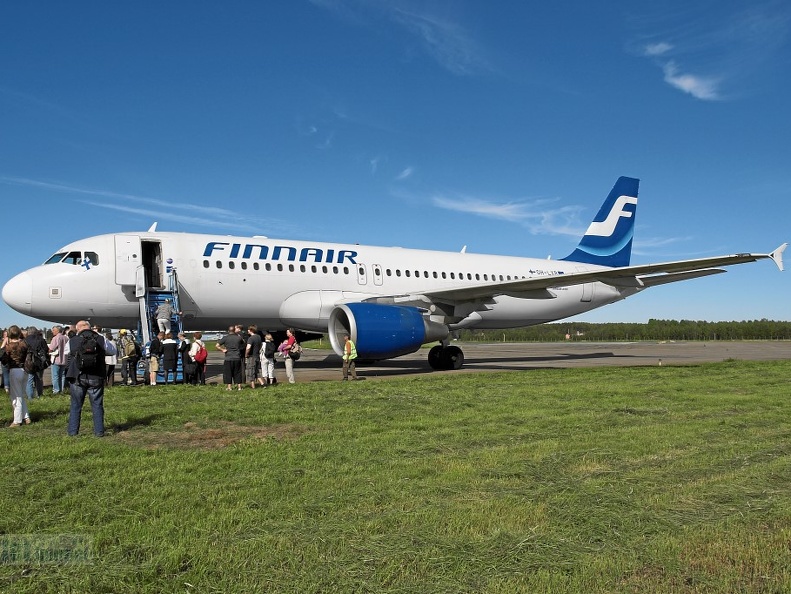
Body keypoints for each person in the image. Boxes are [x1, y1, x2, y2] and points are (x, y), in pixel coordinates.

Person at [65, 320, 116, 437]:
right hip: (96, 375)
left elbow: (67, 353)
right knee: (97, 404)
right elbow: (113, 351)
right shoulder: (101, 339)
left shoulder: (73, 340)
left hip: (78, 376)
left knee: (76, 405)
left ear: (78, 329)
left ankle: (73, 432)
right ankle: (99, 432)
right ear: (90, 328)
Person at [1, 325, 31, 426]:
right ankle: (26, 417)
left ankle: (17, 421)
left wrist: (4, 343)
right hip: (25, 370)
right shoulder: (24, 344)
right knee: (21, 395)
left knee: (16, 397)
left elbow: (3, 359)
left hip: (15, 370)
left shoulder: (8, 347)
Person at [217, 325, 244, 390]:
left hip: (228, 357)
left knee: (228, 372)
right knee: (237, 372)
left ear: (228, 331)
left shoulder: (225, 338)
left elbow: (217, 345)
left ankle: (229, 387)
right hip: (237, 357)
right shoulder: (238, 338)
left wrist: (222, 349)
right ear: (234, 330)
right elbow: (243, 343)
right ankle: (239, 387)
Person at [25, 326, 48, 399]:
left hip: (29, 362)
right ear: (36, 332)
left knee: (29, 380)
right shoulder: (41, 339)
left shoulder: (25, 340)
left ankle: (30, 397)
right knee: (39, 379)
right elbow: (46, 349)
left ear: (28, 332)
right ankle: (40, 395)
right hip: (39, 362)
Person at [48, 325, 69, 395]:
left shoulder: (55, 338)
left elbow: (51, 348)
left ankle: (56, 390)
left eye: (53, 330)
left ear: (57, 331)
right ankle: (62, 389)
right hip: (64, 359)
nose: (52, 331)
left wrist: (49, 352)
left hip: (56, 359)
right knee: (62, 375)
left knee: (55, 376)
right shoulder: (66, 338)